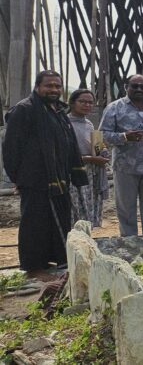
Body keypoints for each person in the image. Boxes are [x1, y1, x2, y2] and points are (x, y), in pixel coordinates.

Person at [3, 70, 86, 273]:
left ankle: (58, 261)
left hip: (59, 178)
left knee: (59, 220)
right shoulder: (24, 110)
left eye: (57, 86)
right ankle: (34, 267)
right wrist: (18, 178)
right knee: (35, 223)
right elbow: (11, 147)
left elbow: (70, 143)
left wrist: (76, 172)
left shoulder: (58, 111)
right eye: (49, 85)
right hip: (35, 179)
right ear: (37, 86)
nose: (54, 89)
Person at [99, 74, 143, 248]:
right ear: (126, 87)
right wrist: (124, 137)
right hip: (126, 167)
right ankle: (130, 244)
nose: (139, 89)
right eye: (134, 86)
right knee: (126, 208)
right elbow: (101, 136)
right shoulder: (114, 108)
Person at [68, 90, 109, 228]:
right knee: (75, 208)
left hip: (90, 173)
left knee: (87, 207)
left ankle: (85, 236)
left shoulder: (89, 124)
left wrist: (102, 150)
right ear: (72, 103)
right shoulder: (65, 124)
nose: (87, 105)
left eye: (90, 102)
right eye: (82, 102)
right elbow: (63, 154)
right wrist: (91, 159)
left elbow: (95, 147)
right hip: (73, 172)